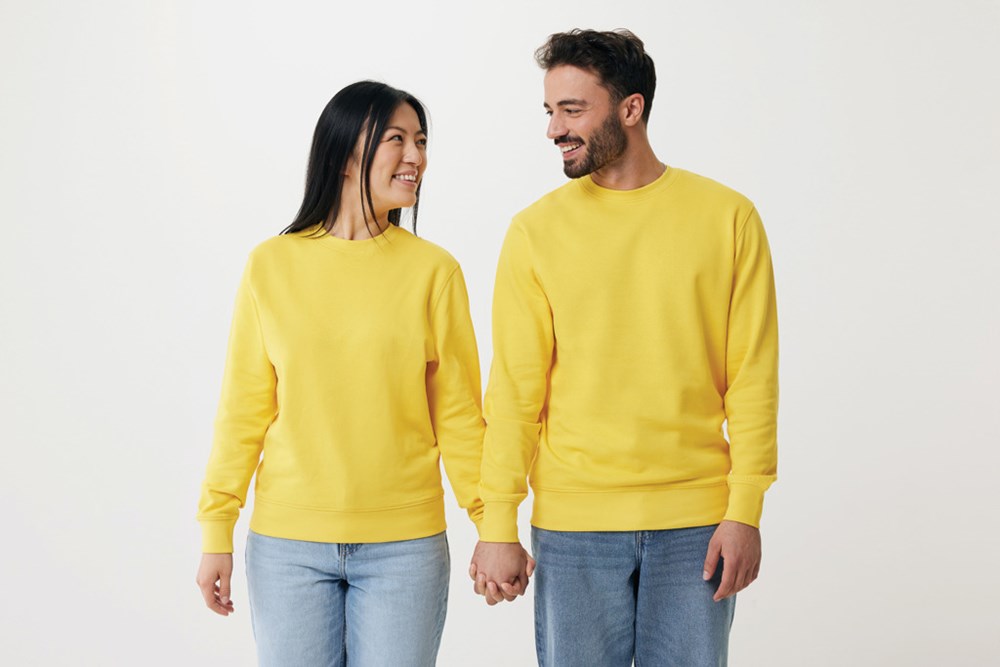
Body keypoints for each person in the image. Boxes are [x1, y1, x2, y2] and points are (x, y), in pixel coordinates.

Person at [469, 29, 779, 666]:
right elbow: (515, 392)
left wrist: (746, 509)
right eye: (550, 111)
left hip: (698, 521)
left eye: (572, 110)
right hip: (575, 524)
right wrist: (497, 522)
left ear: (631, 108)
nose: (554, 129)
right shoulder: (535, 231)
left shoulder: (728, 218)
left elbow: (752, 378)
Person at [195, 81, 487, 666]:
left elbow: (458, 415)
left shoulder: (434, 272)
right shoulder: (271, 265)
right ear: (346, 153)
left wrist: (492, 522)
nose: (416, 156)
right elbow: (243, 410)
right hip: (287, 547)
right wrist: (216, 530)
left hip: (405, 547)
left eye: (421, 141)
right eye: (397, 139)